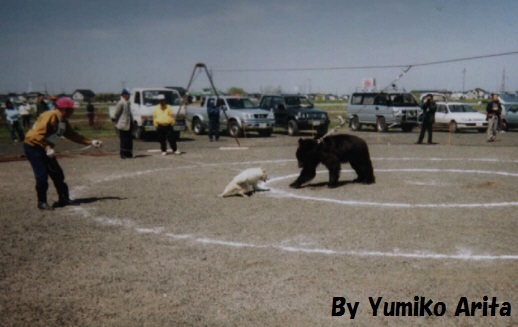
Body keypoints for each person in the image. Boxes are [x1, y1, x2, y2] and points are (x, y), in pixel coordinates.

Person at [23, 97, 102, 210]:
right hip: (34, 147)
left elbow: (72, 135)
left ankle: (63, 199)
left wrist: (91, 142)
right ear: (64, 109)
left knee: (58, 174)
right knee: (42, 175)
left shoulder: (63, 122)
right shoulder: (49, 116)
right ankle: (42, 202)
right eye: (71, 109)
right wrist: (47, 148)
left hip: (46, 149)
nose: (73, 111)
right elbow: (34, 136)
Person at [113, 89, 133, 158]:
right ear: (124, 95)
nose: (129, 96)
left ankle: (129, 153)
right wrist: (116, 121)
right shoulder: (121, 103)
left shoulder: (128, 103)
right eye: (128, 95)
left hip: (129, 124)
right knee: (123, 140)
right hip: (123, 124)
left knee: (129, 140)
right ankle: (123, 153)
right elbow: (116, 113)